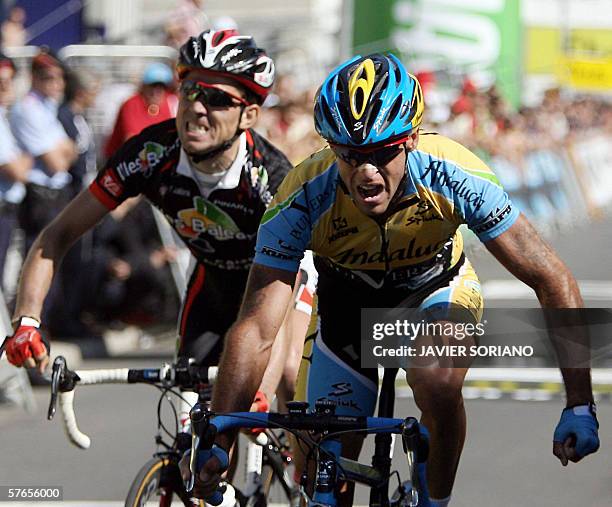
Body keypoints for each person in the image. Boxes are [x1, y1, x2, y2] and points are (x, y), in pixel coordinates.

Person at [188, 54, 600, 506]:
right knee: (320, 479)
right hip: (347, 310)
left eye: (383, 152)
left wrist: (579, 404)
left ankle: (433, 499)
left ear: (413, 140)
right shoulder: (303, 197)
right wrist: (220, 437)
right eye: (350, 155)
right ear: (330, 147)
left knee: (439, 381)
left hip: (434, 291)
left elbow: (550, 276)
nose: (367, 171)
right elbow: (257, 327)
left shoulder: (454, 174)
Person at [3, 29, 312, 408]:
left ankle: (296, 463)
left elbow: (275, 303)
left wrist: (258, 390)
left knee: (286, 379)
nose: (198, 107)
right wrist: (28, 322)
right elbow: (57, 235)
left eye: (217, 99)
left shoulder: (271, 179)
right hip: (213, 279)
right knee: (195, 424)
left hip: (279, 283)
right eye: (191, 92)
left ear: (248, 115)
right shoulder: (150, 153)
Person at [9, 48, 77, 253]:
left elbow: (72, 150)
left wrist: (64, 151)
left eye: (59, 77)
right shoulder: (28, 109)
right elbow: (57, 164)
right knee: (40, 254)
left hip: (55, 194)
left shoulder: (47, 106)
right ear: (33, 77)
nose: (57, 84)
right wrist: (63, 151)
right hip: (40, 196)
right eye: (48, 78)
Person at [0, 51, 31, 291]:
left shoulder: (6, 116)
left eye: (8, 81)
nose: (4, 87)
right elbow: (17, 170)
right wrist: (27, 155)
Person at [103, 62, 178, 159]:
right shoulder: (132, 104)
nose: (156, 91)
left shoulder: (172, 102)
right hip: (124, 162)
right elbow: (132, 142)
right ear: (144, 86)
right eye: (152, 85)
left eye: (162, 86)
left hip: (155, 160)